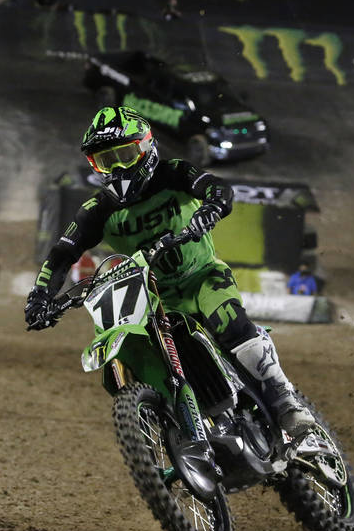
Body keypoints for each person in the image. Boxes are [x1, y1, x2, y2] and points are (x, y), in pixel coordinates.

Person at [24, 106, 315, 452]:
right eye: (106, 161)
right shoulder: (96, 210)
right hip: (153, 298)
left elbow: (217, 188)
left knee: (230, 323)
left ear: (146, 149)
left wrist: (211, 207)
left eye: (124, 155)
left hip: (202, 277)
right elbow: (62, 254)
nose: (118, 168)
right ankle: (177, 420)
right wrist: (41, 295)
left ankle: (285, 401)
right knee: (146, 352)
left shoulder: (173, 173)